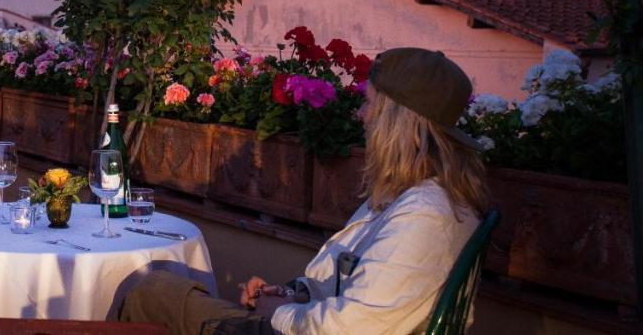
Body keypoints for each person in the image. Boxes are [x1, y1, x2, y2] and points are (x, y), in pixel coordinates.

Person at [121, 46, 489, 334]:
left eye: (369, 103)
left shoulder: (425, 216)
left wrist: (281, 315)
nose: (361, 115)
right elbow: (360, 288)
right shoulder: (417, 197)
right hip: (301, 323)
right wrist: (294, 293)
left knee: (149, 294)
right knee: (159, 289)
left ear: (397, 120)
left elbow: (351, 327)